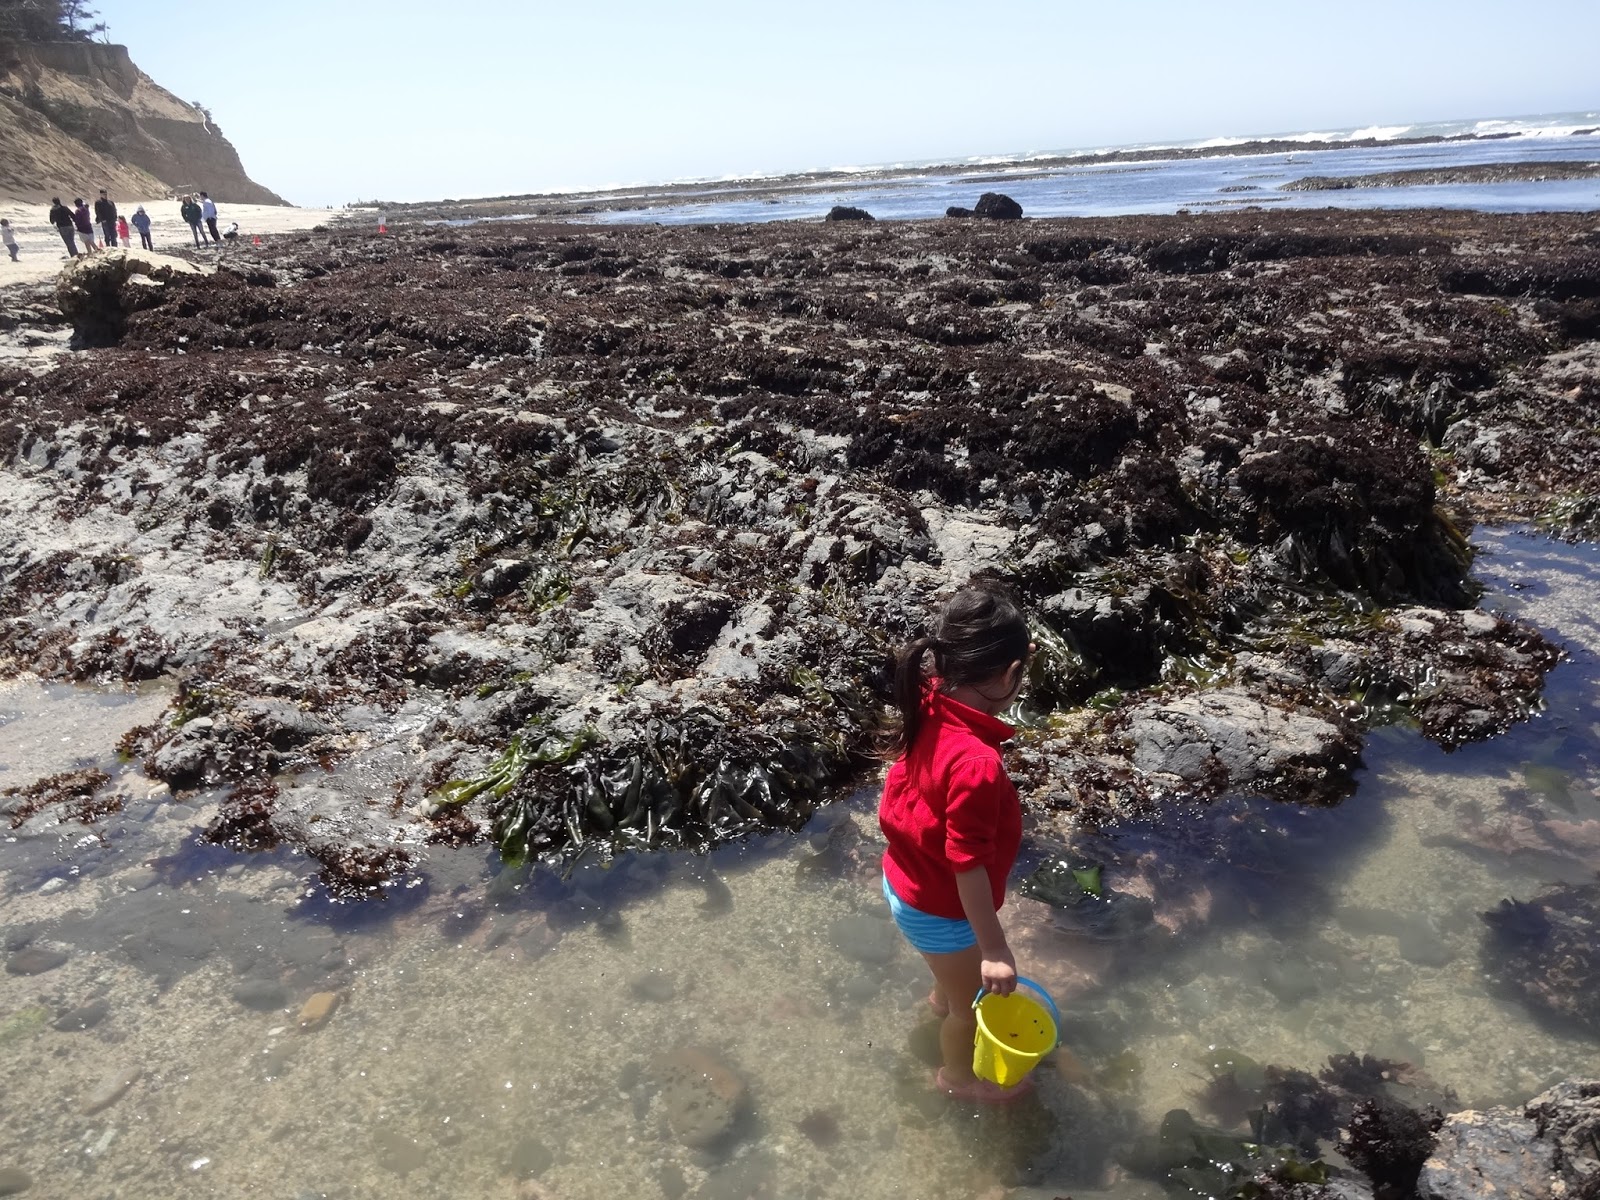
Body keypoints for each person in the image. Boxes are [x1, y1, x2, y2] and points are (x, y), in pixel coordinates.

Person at [878, 582, 1035, 1104]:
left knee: (951, 985)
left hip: (904, 881)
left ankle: (942, 994)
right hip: (940, 907)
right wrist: (994, 948)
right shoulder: (977, 763)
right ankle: (956, 1079)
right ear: (1013, 674)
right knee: (972, 1008)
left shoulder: (927, 699)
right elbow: (966, 865)